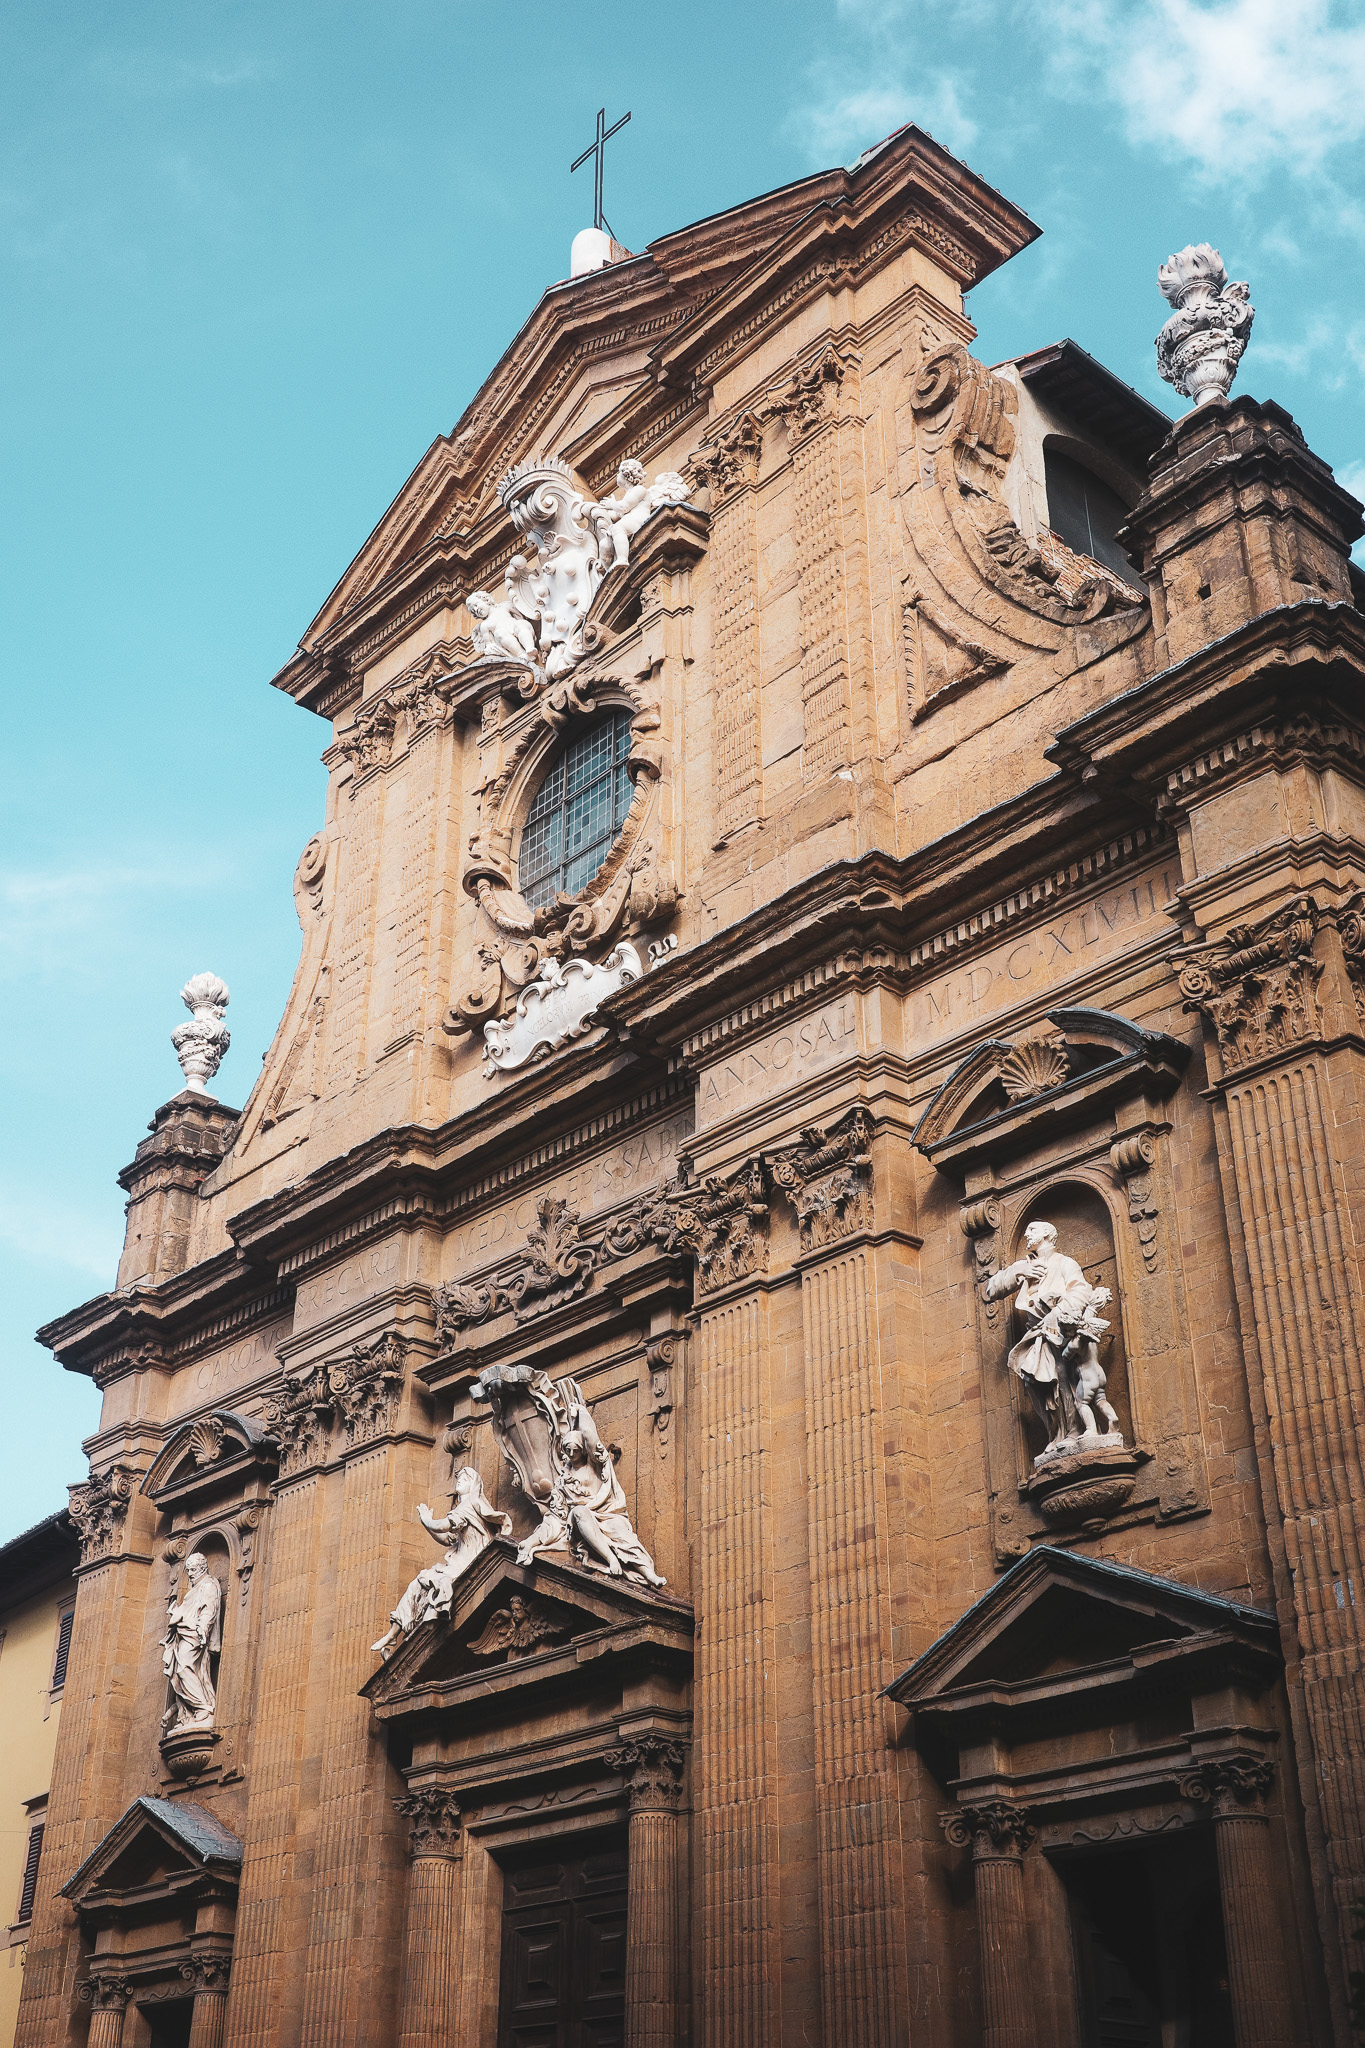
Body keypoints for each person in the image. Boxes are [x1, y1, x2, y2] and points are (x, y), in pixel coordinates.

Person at [371, 1467, 512, 1658]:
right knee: (417, 1586)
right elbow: (447, 1539)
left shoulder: (470, 1504)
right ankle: (393, 1636)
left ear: (474, 1484)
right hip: (458, 1564)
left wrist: (427, 1520)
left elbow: (442, 1525)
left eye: (465, 1478)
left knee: (432, 1588)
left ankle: (406, 1647)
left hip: (468, 1565)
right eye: (459, 1477)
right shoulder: (465, 1508)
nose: (460, 1480)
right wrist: (427, 1524)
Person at [984, 1219, 1093, 1454]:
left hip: (1059, 1332)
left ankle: (1073, 1431)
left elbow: (1082, 1290)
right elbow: (991, 1290)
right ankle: (1055, 1434)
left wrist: (1058, 1313)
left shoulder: (1064, 1263)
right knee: (1037, 1385)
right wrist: (1018, 1270)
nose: (1026, 1234)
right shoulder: (1024, 1266)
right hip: (1037, 1337)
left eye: (1032, 1229)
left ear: (1047, 1233)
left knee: (1064, 1380)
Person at [161, 1552, 222, 1732]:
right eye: (189, 1570)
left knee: (183, 1668)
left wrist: (202, 1628)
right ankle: (190, 1711)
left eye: (194, 1570)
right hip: (184, 1634)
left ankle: (204, 1707)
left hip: (195, 1635)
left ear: (203, 1568)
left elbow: (208, 1609)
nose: (191, 1574)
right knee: (177, 1674)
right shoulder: (194, 1589)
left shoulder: (209, 1585)